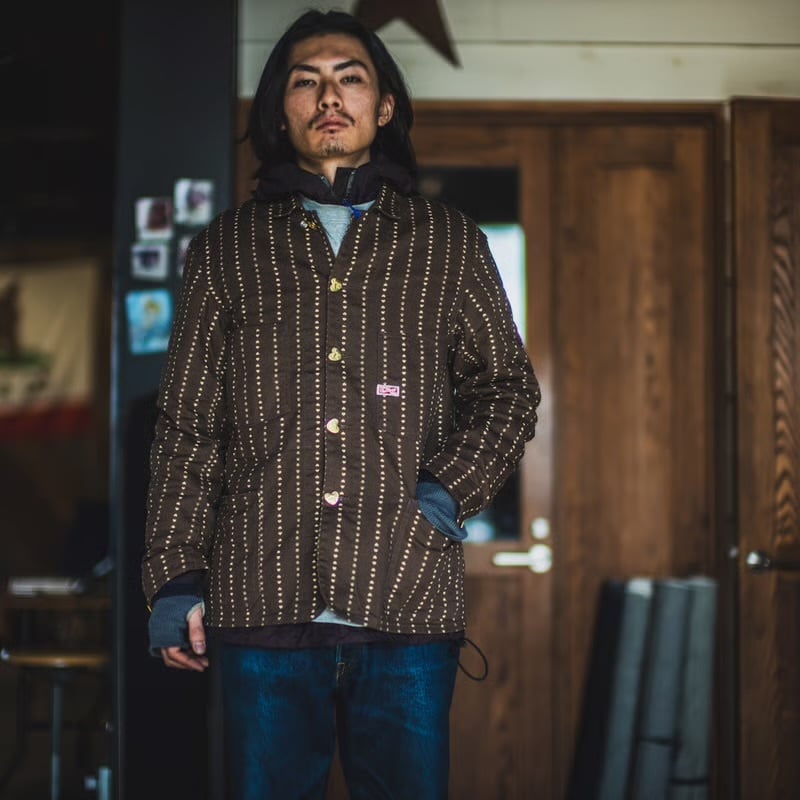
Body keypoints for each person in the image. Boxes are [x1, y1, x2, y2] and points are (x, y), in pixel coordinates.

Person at [142, 9, 540, 799]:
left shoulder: (448, 241)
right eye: (306, 81)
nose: (329, 96)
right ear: (280, 110)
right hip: (259, 600)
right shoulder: (225, 249)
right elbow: (188, 428)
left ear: (383, 106)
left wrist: (446, 492)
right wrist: (175, 578)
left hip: (406, 601)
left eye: (349, 78)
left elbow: (507, 390)